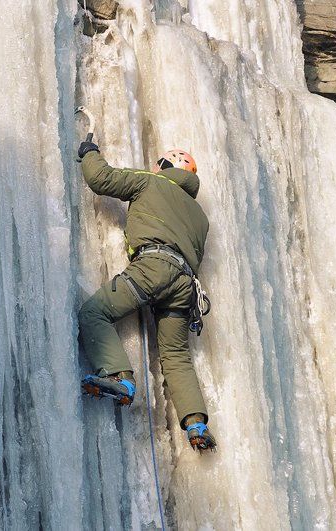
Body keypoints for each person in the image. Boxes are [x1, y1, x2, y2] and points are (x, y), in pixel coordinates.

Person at [76, 138, 216, 451]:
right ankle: (196, 423)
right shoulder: (200, 217)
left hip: (153, 266)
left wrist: (89, 153)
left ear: (163, 167)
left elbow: (101, 178)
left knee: (94, 312)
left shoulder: (150, 182)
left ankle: (119, 377)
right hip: (185, 286)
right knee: (177, 356)